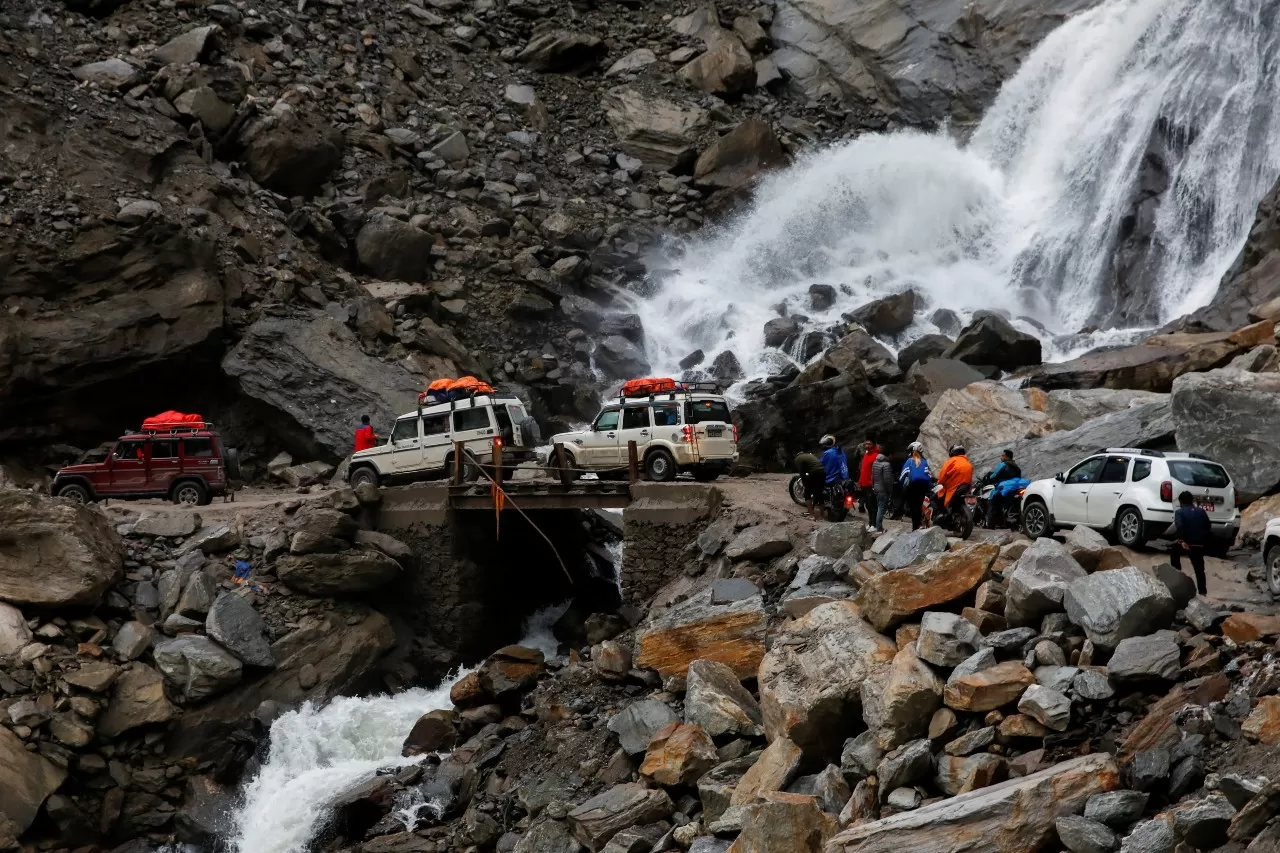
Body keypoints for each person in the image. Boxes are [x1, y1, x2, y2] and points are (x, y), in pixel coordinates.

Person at [1172, 490, 1211, 595]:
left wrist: (1182, 540)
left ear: (1181, 501)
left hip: (1187, 544)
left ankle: (1177, 573)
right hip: (1199, 544)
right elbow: (1208, 526)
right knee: (1199, 570)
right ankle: (1203, 592)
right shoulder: (1201, 512)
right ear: (1192, 501)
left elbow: (1180, 526)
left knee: (1174, 549)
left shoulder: (1179, 512)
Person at [900, 442, 932, 530]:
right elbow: (929, 476)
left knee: (913, 507)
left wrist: (900, 484)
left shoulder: (909, 461)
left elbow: (903, 475)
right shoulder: (924, 462)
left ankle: (915, 527)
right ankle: (919, 524)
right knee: (918, 506)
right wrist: (929, 488)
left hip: (912, 487)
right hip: (922, 487)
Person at [987, 449, 1022, 528]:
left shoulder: (1003, 465)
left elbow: (994, 475)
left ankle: (992, 524)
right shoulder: (1016, 467)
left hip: (1004, 488)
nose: (1001, 457)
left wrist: (989, 477)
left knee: (992, 501)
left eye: (1002, 455)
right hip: (1014, 489)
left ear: (1007, 457)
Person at [794, 449, 827, 520]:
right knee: (819, 493)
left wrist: (806, 484)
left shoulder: (797, 459)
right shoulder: (809, 455)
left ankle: (811, 515)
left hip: (814, 473)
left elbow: (802, 473)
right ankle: (822, 516)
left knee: (807, 494)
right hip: (823, 472)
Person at [870, 446, 894, 533]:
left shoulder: (875, 462)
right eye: (892, 455)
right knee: (881, 509)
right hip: (883, 490)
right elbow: (887, 480)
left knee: (879, 507)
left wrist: (873, 486)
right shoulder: (886, 464)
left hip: (876, 489)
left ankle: (878, 527)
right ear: (889, 455)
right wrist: (890, 490)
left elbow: (872, 476)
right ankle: (879, 528)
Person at [858, 439, 880, 525]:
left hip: (871, 484)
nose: (867, 445)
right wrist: (860, 482)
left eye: (869, 444)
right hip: (864, 484)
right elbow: (863, 470)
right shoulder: (866, 455)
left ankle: (874, 524)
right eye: (866, 444)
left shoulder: (876, 456)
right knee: (868, 505)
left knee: (873, 506)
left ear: (873, 445)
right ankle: (870, 523)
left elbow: (877, 471)